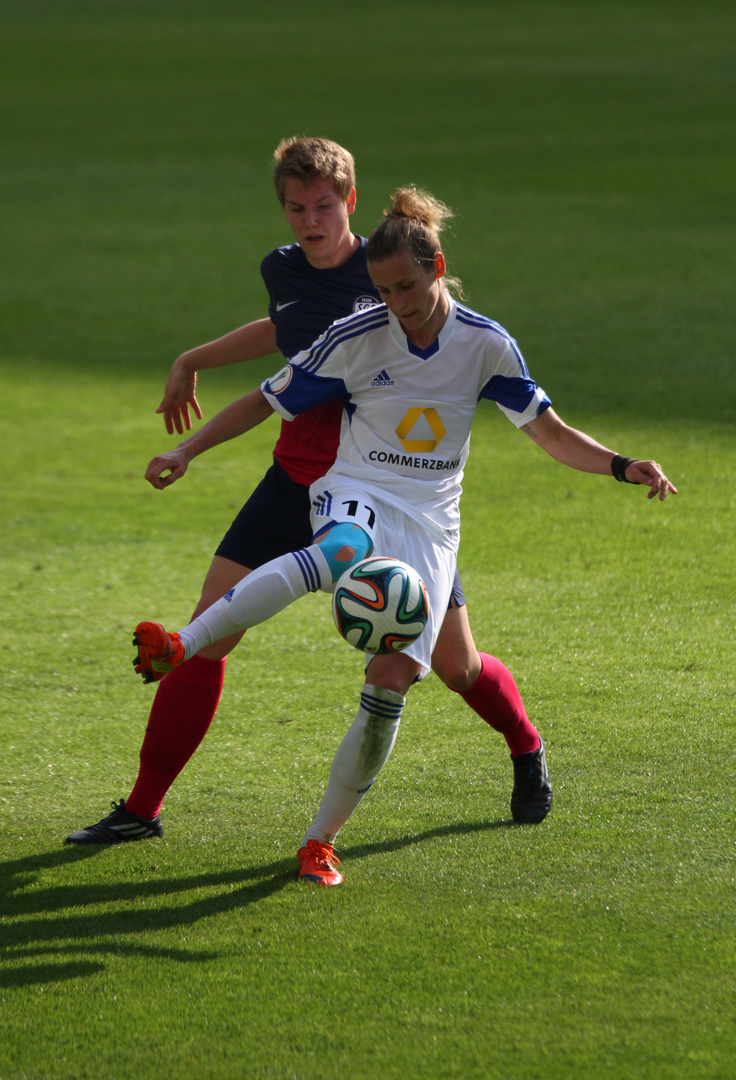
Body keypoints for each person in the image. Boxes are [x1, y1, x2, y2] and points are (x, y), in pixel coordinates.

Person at [125, 186, 677, 886]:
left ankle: (326, 836)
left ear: (437, 266)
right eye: (384, 291)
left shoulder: (484, 344)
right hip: (356, 491)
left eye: (408, 286)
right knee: (339, 553)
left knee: (414, 676)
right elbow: (265, 401)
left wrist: (625, 466)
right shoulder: (357, 337)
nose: (398, 303)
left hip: (429, 523)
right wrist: (187, 451)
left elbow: (550, 432)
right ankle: (184, 643)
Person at [65, 139, 550, 847]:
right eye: (296, 209)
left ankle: (526, 745)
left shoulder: (385, 270)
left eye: (323, 205)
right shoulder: (284, 270)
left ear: (350, 202)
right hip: (295, 480)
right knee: (205, 636)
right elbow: (285, 334)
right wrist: (191, 360)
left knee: (457, 666)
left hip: (387, 495)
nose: (310, 222)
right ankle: (142, 807)